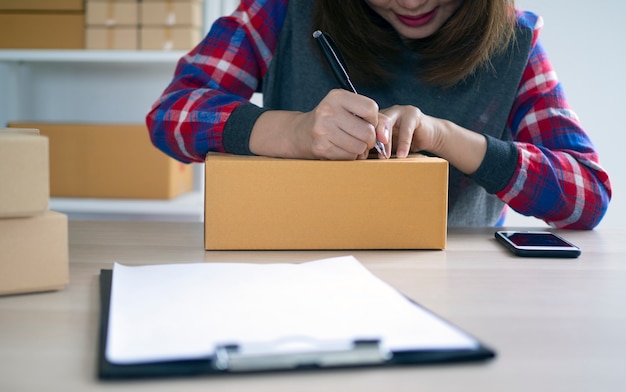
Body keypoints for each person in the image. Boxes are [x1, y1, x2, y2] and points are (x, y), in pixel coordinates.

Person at [146, 0, 611, 229]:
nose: (411, 2)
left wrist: (445, 137)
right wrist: (293, 132)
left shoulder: (516, 43)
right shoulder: (282, 12)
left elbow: (587, 197)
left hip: (455, 288)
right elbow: (171, 116)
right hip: (292, 276)